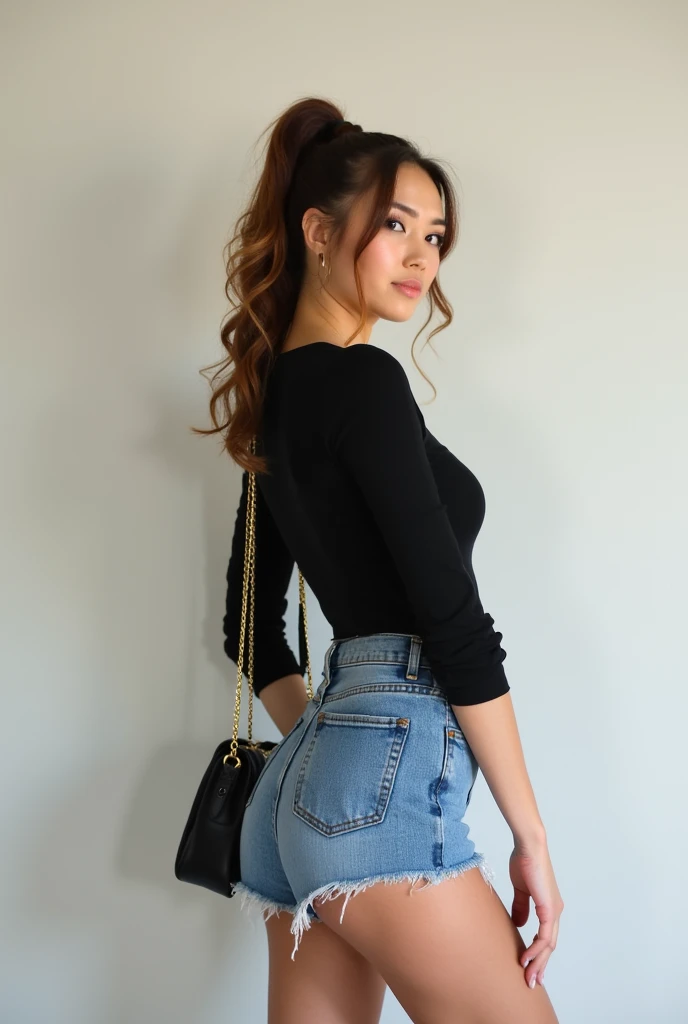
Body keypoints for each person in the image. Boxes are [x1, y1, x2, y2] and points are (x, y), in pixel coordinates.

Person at [193, 97, 563, 1024]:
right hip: (382, 773)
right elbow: (453, 621)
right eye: (395, 225)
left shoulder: (277, 401)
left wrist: (333, 738)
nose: (422, 256)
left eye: (435, 235)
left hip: (298, 791)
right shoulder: (363, 381)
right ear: (319, 231)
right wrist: (531, 835)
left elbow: (248, 621)